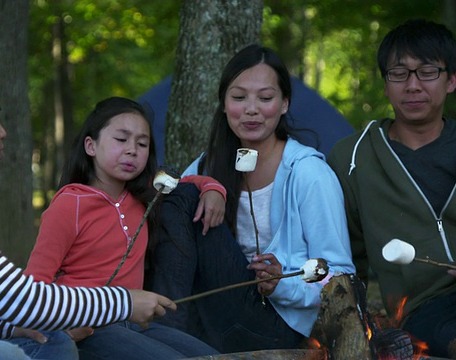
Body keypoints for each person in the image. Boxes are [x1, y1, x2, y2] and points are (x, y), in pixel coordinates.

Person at [0, 59, 177, 360]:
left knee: (40, 340)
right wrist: (123, 302)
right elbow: (22, 299)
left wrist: (6, 329)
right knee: (3, 355)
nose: (3, 132)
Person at [327, 19, 456, 360]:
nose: (413, 86)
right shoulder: (353, 159)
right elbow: (345, 255)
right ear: (385, 84)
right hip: (431, 310)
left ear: (451, 81)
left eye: (427, 72)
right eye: (399, 73)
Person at [148, 44, 355, 353]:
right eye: (239, 97)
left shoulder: (309, 173)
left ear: (284, 104)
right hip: (213, 312)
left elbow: (340, 275)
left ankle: (164, 336)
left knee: (184, 195)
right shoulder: (211, 164)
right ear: (223, 104)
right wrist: (211, 187)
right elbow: (170, 200)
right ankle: (163, 325)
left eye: (265, 98)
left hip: (277, 323)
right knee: (181, 194)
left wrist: (283, 283)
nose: (251, 109)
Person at [23, 96, 222, 360]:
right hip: (87, 329)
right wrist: (63, 328)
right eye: (121, 139)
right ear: (91, 146)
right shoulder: (70, 204)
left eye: (142, 143)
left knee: (211, 356)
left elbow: (188, 182)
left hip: (137, 323)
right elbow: (33, 286)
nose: (132, 150)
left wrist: (213, 189)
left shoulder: (142, 195)